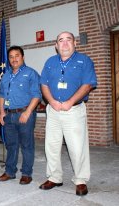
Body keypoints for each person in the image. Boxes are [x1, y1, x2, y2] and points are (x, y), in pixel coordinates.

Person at [39, 31, 97, 196]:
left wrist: (70, 102)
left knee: (77, 147)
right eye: (60, 40)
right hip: (54, 110)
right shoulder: (50, 62)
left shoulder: (84, 60)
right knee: (51, 146)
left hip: (74, 110)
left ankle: (80, 180)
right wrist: (51, 101)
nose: (64, 43)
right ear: (56, 46)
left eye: (68, 40)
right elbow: (44, 84)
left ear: (75, 43)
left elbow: (88, 84)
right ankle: (54, 177)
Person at [0, 46, 41, 185]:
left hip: (24, 114)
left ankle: (26, 173)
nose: (14, 59)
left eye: (17, 55)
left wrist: (27, 112)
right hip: (9, 115)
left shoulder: (31, 73)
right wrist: (2, 112)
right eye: (11, 56)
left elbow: (37, 95)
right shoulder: (6, 75)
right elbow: (2, 95)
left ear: (23, 57)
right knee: (11, 145)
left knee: (27, 145)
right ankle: (10, 171)